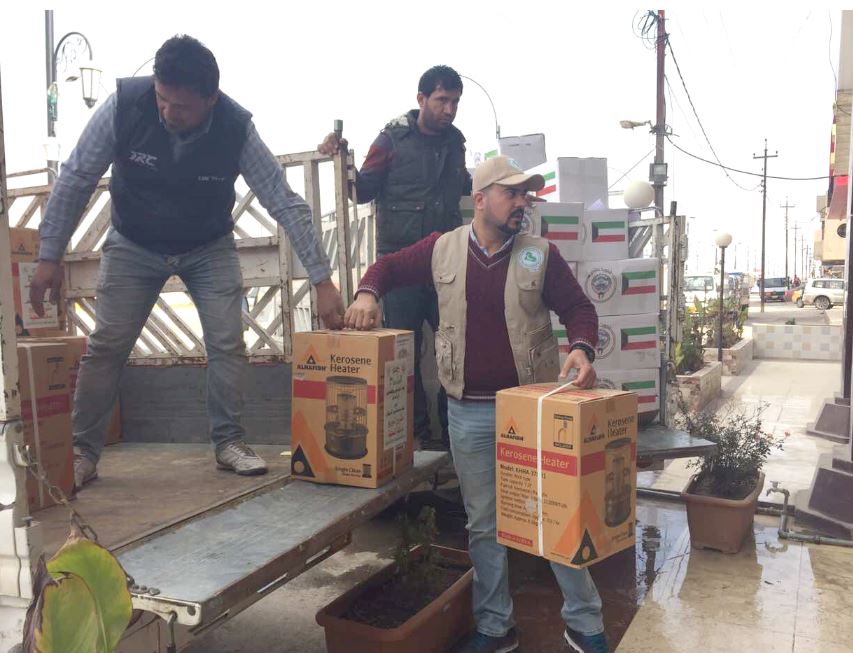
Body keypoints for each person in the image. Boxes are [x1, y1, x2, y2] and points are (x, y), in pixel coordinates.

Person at [30, 35, 344, 490]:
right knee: (107, 344)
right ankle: (82, 451)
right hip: (133, 242)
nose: (167, 112)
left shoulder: (236, 127)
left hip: (208, 245)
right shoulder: (123, 106)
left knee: (228, 341)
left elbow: (283, 200)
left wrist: (322, 280)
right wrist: (49, 255)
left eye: (181, 106)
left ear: (211, 99)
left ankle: (229, 441)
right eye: (161, 98)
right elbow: (76, 177)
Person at [344, 156, 609, 653]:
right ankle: (495, 627)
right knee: (484, 525)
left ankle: (585, 623)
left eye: (525, 194)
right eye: (512, 193)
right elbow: (388, 267)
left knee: (552, 516)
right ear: (481, 199)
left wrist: (582, 347)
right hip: (467, 411)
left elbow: (579, 309)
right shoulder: (442, 249)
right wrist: (367, 293)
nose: (522, 202)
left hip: (530, 411)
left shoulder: (539, 255)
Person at [318, 65, 471, 450]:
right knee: (403, 354)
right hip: (400, 266)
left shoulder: (456, 142)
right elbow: (361, 191)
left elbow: (466, 185)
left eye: (455, 102)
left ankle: (452, 436)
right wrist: (341, 157)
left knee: (456, 348)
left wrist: (507, 189)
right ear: (421, 99)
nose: (449, 110)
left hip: (446, 264)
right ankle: (414, 437)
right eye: (442, 100)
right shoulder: (391, 140)